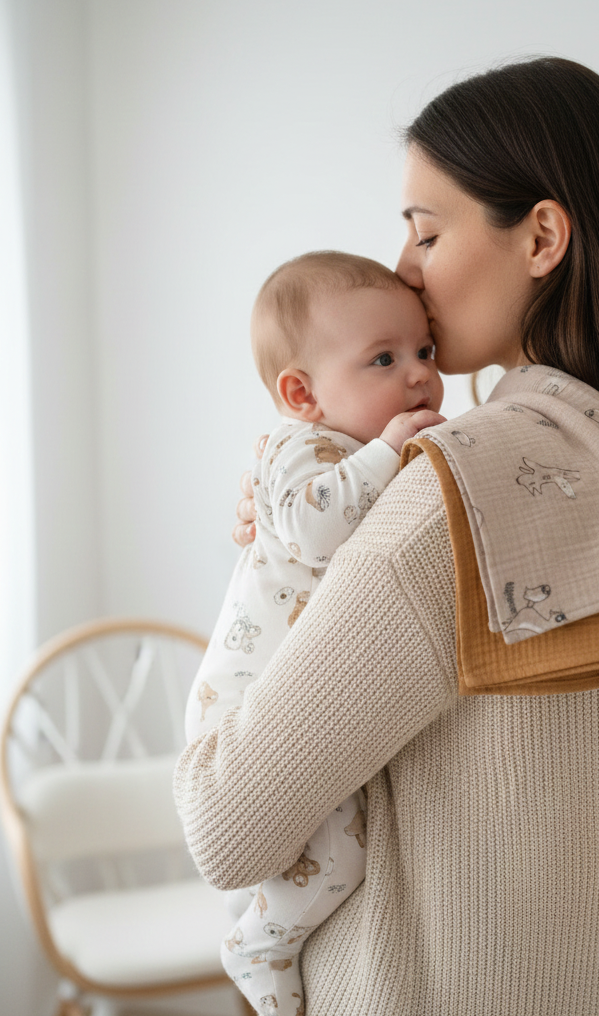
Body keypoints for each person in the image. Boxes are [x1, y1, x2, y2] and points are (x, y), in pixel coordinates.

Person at [175, 57, 599, 1016]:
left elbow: (223, 827)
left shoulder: (458, 492)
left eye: (427, 231)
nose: (404, 267)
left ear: (542, 237)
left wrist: (276, 554)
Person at [183, 250, 444, 1016]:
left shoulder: (352, 454)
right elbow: (314, 529)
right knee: (340, 858)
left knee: (336, 851)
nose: (419, 375)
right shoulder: (301, 448)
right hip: (244, 699)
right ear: (301, 394)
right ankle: (258, 945)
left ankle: (263, 925)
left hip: (285, 695)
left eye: (425, 350)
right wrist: (392, 450)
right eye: (384, 359)